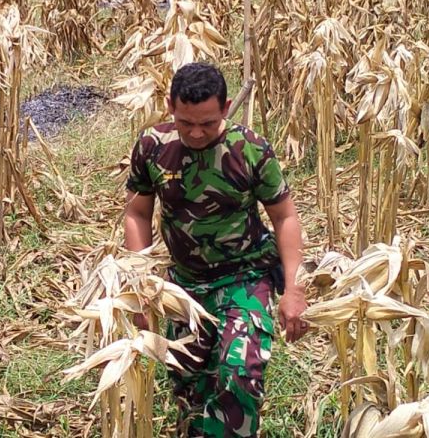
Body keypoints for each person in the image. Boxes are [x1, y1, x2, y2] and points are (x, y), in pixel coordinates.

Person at [124, 62, 308, 438]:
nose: (195, 132)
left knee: (239, 375)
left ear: (225, 108)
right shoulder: (153, 147)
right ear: (170, 106)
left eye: (207, 123)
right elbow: (138, 213)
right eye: (185, 122)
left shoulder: (250, 150)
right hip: (184, 285)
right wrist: (139, 285)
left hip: (245, 276)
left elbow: (285, 217)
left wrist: (294, 289)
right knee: (191, 383)